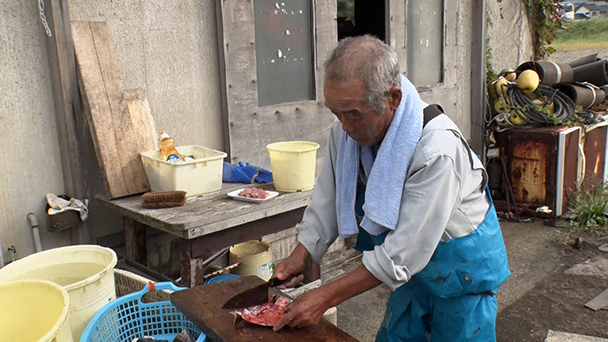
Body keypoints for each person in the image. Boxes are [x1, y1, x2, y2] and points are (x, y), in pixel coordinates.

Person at [271, 35, 511, 341]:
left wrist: (325, 298)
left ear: (393, 98)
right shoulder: (345, 133)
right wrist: (301, 254)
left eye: (353, 114)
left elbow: (402, 253)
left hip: (461, 273)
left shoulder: (436, 149)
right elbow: (328, 201)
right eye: (336, 113)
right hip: (411, 275)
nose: (344, 126)